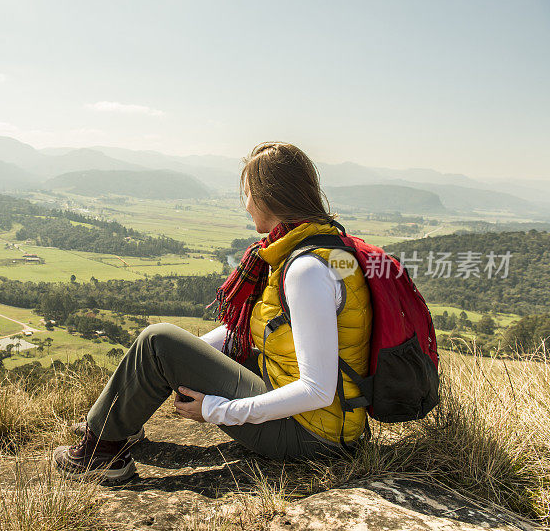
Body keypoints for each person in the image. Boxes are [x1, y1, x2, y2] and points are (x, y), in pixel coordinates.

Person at [53, 142, 373, 483]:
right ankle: (115, 424)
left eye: (248, 194)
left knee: (157, 339)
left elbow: (317, 390)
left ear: (269, 197)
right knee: (166, 350)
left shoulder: (305, 269)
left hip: (312, 435)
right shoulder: (316, 246)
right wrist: (182, 362)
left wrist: (216, 410)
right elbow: (259, 332)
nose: (246, 204)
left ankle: (101, 456)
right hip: (327, 420)